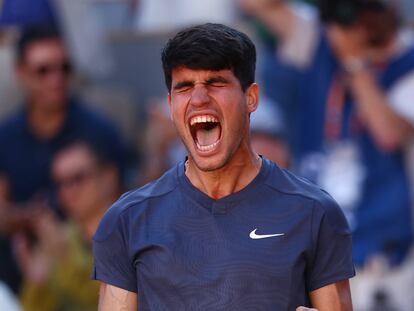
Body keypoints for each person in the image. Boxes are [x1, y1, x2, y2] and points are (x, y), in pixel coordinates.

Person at [92, 23, 354, 310]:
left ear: (251, 98)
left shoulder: (315, 213)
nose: (199, 98)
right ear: (170, 104)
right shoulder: (127, 221)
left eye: (216, 83)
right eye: (185, 87)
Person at [239, 0, 414, 309]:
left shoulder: (407, 58)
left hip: (386, 253)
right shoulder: (321, 40)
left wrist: (354, 62)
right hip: (320, 244)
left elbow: (389, 134)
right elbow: (256, 5)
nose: (351, 20)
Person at [0, 24, 125, 293]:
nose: (55, 78)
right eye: (43, 70)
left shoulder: (99, 131)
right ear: (20, 72)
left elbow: (119, 209)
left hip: (90, 271)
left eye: (64, 68)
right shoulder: (5, 136)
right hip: (15, 275)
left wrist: (67, 242)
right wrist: (30, 218)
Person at [15, 140, 122, 311]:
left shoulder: (133, 232)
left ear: (108, 177)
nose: (68, 191)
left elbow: (107, 299)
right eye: (60, 183)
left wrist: (62, 256)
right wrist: (37, 281)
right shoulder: (59, 237)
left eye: (77, 178)